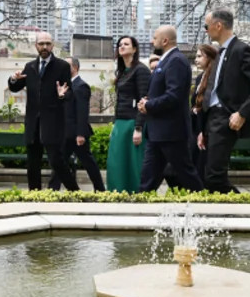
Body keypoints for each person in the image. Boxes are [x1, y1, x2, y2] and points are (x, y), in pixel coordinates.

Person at [198, 9, 250, 193]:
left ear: (218, 26)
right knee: (210, 174)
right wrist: (203, 129)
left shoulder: (241, 50)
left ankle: (243, 205)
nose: (205, 30)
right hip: (212, 118)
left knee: (214, 176)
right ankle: (228, 207)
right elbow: (214, 89)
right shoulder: (220, 53)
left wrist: (242, 113)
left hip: (227, 118)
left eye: (206, 26)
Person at [7, 32, 79, 191]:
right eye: (41, 44)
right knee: (33, 162)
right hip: (33, 122)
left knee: (57, 161)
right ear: (36, 46)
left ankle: (75, 192)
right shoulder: (30, 66)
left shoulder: (61, 66)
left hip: (52, 122)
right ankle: (34, 195)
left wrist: (62, 94)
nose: (44, 47)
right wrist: (13, 79)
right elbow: (15, 87)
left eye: (47, 44)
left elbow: (69, 93)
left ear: (52, 46)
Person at [138, 25, 203, 192]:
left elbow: (174, 95)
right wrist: (147, 101)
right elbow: (163, 91)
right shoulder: (167, 60)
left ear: (165, 40)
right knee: (148, 177)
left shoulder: (176, 61)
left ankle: (204, 202)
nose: (152, 41)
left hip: (171, 132)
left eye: (155, 38)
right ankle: (141, 202)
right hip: (158, 132)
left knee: (186, 174)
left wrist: (149, 105)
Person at [49, 57, 104, 191]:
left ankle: (100, 190)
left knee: (88, 163)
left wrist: (80, 134)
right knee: (58, 162)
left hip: (76, 135)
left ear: (74, 67)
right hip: (64, 134)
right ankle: (53, 190)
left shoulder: (81, 86)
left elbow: (82, 112)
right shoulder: (64, 86)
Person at [106, 36, 150, 193]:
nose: (122, 46)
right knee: (116, 161)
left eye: (126, 44)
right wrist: (115, 124)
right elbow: (120, 101)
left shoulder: (141, 70)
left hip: (133, 123)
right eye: (120, 44)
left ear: (135, 49)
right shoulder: (122, 72)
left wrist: (138, 128)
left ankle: (136, 194)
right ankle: (116, 193)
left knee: (133, 163)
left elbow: (144, 100)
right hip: (120, 123)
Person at [190, 43, 220, 185]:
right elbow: (194, 102)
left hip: (207, 126)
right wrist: (193, 109)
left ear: (209, 57)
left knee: (204, 166)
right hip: (196, 125)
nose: (196, 60)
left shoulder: (214, 77)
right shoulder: (199, 78)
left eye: (199, 56)